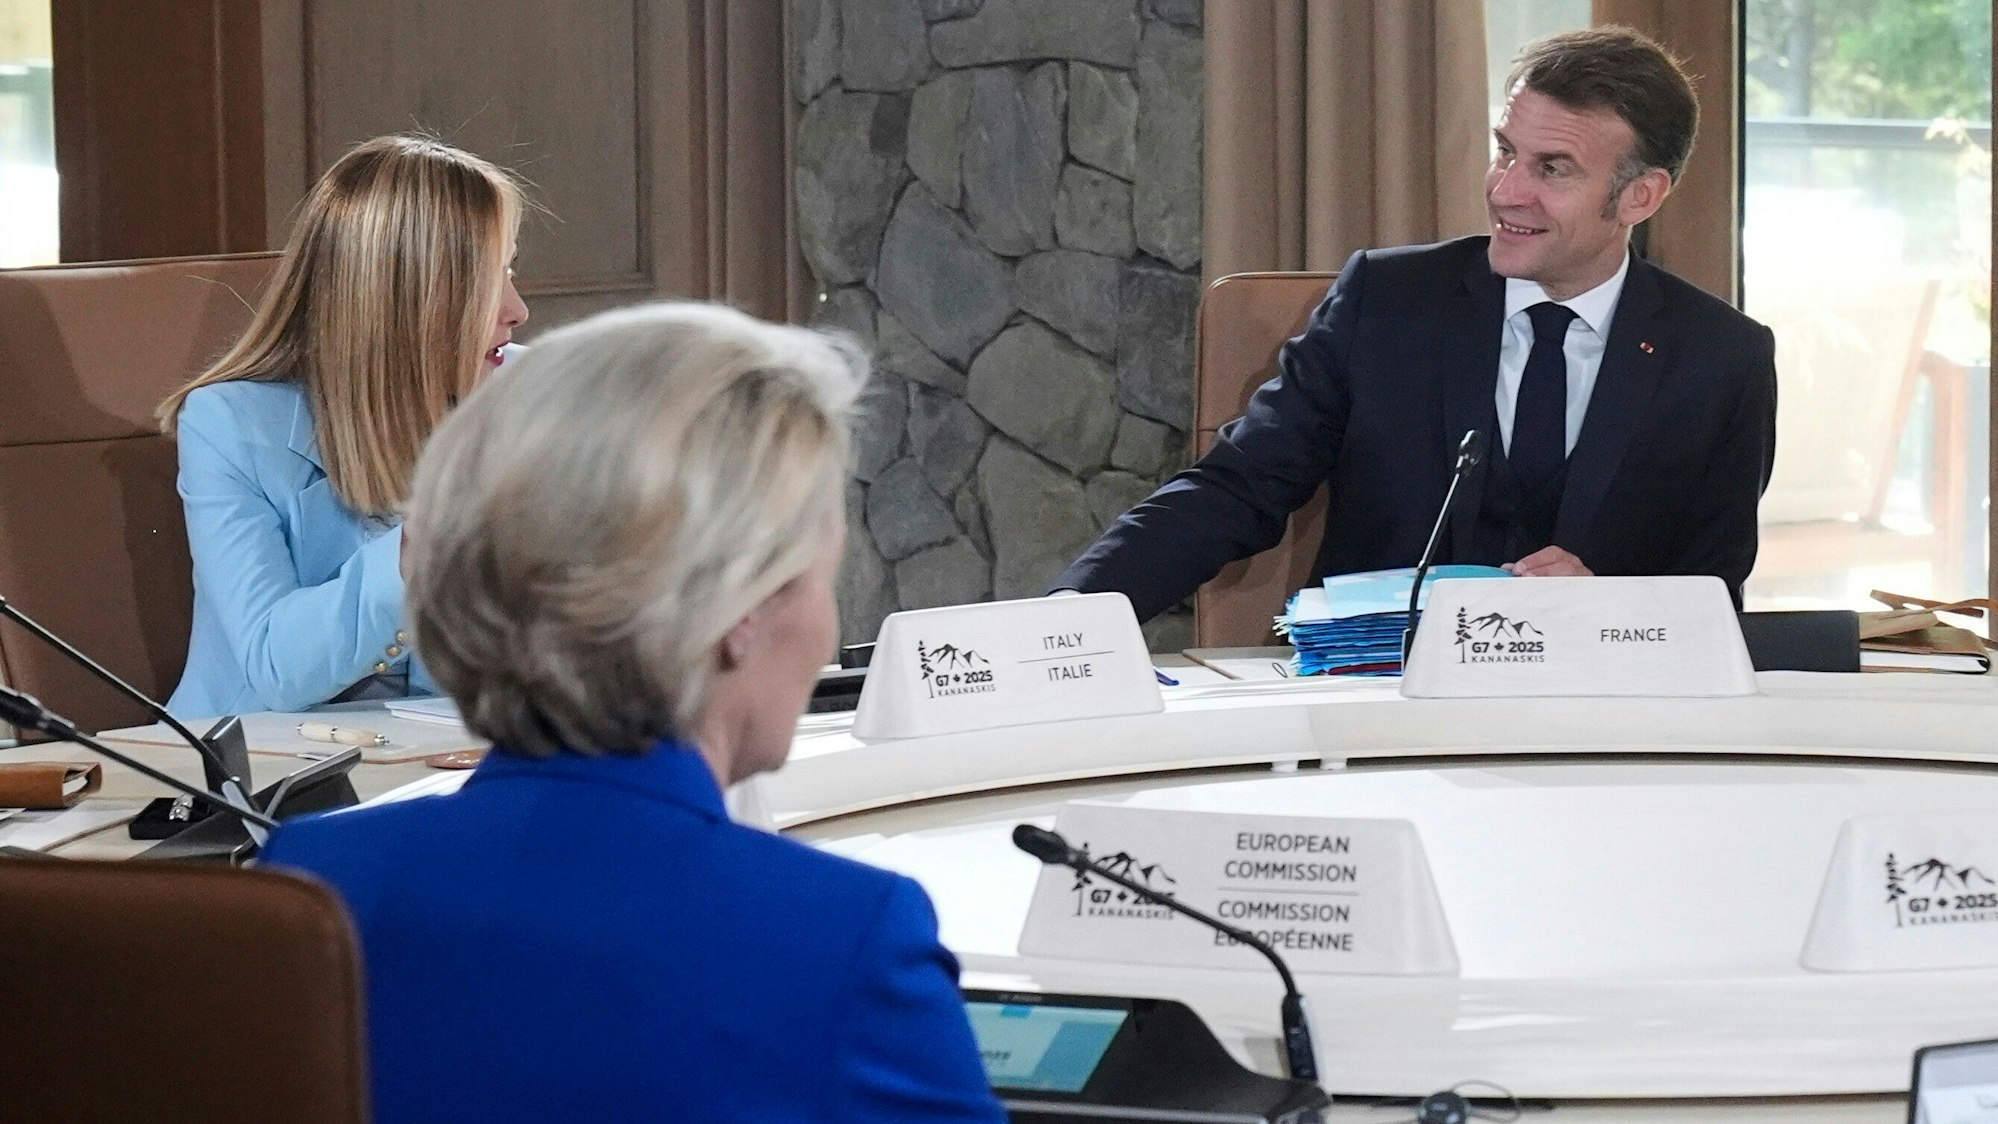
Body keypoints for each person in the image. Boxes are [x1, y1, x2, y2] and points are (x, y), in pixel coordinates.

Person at [260, 304, 1007, 1124]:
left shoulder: (309, 887)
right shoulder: (844, 942)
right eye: (822, 578)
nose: (827, 627)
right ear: (740, 613)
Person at [1056, 27, 1777, 619]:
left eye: (1552, 168)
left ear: (1640, 197)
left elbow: (1710, 599)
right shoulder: (1386, 301)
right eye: (1505, 152)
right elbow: (1237, 489)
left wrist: (1605, 612)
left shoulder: (1722, 360)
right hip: (1379, 711)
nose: (1506, 190)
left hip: (1593, 732)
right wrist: (1064, 621)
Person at [158, 134, 529, 716]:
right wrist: (419, 546)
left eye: (510, 269)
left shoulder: (528, 397)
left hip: (449, 760)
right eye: (489, 280)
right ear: (407, 299)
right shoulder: (230, 426)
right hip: (265, 774)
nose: (517, 309)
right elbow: (276, 667)